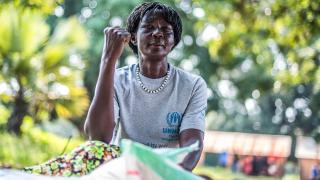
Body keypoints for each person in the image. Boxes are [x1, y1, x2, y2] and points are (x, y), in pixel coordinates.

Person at [24, 2, 207, 176]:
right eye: (149, 28)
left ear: (174, 40)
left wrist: (159, 175)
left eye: (166, 30)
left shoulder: (192, 85)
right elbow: (98, 138)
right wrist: (108, 60)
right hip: (122, 167)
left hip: (166, 170)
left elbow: (191, 149)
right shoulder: (117, 78)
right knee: (93, 151)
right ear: (133, 38)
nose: (157, 34)